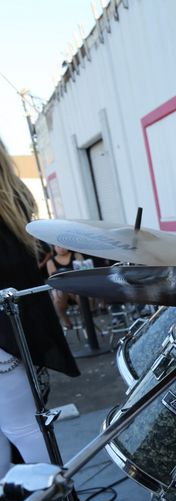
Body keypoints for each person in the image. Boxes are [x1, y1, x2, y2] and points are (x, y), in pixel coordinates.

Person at [0, 138, 79, 479]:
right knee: (25, 432)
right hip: (16, 332)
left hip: (6, 338)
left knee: (22, 433)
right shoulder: (16, 199)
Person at [45, 245, 85, 329]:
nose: (61, 248)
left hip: (77, 287)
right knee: (57, 299)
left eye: (62, 246)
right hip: (62, 289)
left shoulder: (76, 255)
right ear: (54, 247)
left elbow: (83, 271)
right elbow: (54, 280)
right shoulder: (50, 262)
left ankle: (84, 319)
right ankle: (66, 322)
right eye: (58, 247)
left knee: (81, 295)